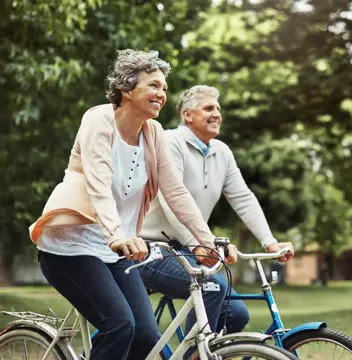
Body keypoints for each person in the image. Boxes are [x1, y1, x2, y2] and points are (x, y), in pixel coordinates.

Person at [30, 51, 225, 360]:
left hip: (116, 250)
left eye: (164, 87)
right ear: (126, 89)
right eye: (153, 85)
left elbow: (176, 192)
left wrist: (206, 239)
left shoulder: (153, 133)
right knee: (119, 325)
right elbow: (99, 185)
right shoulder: (98, 120)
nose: (161, 94)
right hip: (71, 247)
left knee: (146, 335)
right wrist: (116, 235)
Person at [139, 85, 295, 337]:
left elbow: (243, 198)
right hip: (150, 247)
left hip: (189, 248)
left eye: (219, 109)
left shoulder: (222, 152)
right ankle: (194, 354)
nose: (217, 114)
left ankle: (203, 350)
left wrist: (270, 242)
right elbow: (171, 199)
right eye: (209, 108)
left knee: (237, 314)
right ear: (187, 114)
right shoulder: (170, 142)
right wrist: (201, 244)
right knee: (211, 286)